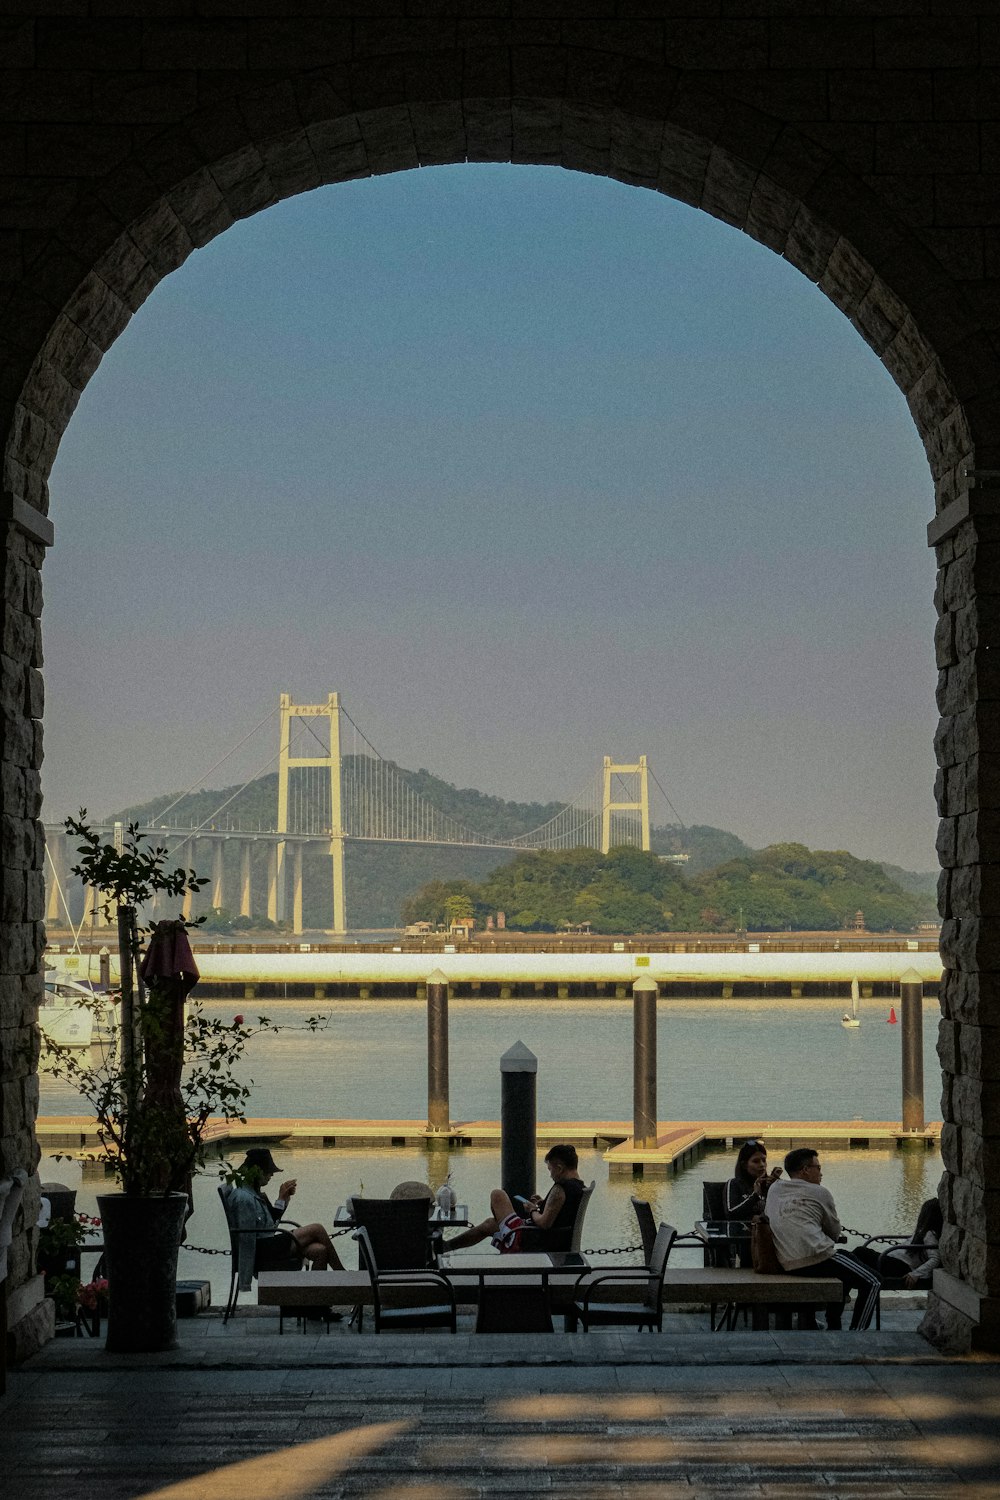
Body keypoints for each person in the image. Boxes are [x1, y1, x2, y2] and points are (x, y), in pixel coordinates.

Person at [765, 1147, 881, 1330]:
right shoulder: (820, 1192)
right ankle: (857, 1334)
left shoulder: (775, 1188)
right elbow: (834, 1233)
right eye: (818, 1168)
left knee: (850, 1263)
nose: (821, 1172)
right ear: (805, 1170)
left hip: (786, 1261)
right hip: (815, 1258)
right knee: (873, 1281)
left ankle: (834, 1323)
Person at [227, 1147, 344, 1293]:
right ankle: (343, 1275)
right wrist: (247, 1272)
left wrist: (283, 1198)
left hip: (268, 1244)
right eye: (268, 1171)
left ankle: (317, 1306)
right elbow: (247, 1238)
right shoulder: (243, 1198)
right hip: (263, 1250)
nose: (271, 1175)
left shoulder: (255, 1194)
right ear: (257, 1172)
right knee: (317, 1229)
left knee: (320, 1251)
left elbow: (271, 1222)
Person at [444, 1143, 585, 1254]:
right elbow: (560, 1213)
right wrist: (543, 1204)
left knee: (497, 1195)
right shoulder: (578, 1187)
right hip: (549, 1237)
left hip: (529, 1238)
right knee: (489, 1224)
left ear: (559, 1168)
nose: (551, 1175)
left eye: (550, 1170)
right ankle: (445, 1247)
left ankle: (510, 1242)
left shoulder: (560, 1188)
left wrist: (532, 1209)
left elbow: (544, 1223)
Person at [854, 1197, 943, 1288]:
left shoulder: (929, 1234)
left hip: (898, 1266)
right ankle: (845, 1289)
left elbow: (935, 1258)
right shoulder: (924, 1232)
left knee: (860, 1252)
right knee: (857, 1258)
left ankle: (844, 1292)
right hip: (893, 1262)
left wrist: (915, 1274)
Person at [723, 1139, 781, 1267]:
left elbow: (784, 1211)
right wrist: (754, 1195)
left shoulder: (771, 1185)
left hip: (771, 1237)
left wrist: (778, 1187)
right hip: (746, 1241)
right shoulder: (734, 1184)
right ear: (744, 1164)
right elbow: (731, 1213)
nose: (762, 1165)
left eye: (764, 1160)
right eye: (756, 1161)